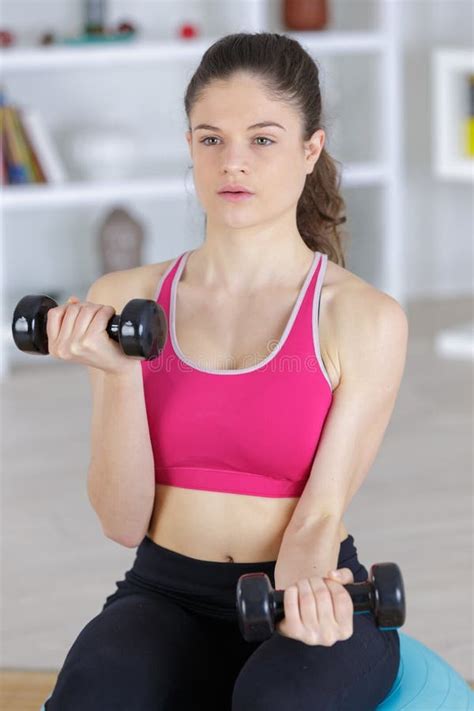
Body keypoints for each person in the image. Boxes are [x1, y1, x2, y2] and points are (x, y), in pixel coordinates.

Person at [44, 31, 408, 711]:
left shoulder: (362, 317)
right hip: (165, 590)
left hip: (305, 580)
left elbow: (318, 514)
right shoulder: (125, 297)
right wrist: (120, 375)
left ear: (310, 151)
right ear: (189, 147)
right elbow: (124, 521)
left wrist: (306, 601)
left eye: (262, 139)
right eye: (210, 139)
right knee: (97, 690)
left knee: (274, 700)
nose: (232, 162)